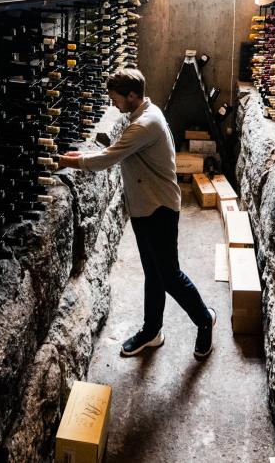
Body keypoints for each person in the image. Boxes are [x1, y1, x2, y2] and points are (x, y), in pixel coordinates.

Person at [59, 67, 216, 359]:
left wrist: (69, 160)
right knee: (153, 274)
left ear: (132, 96)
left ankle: (205, 320)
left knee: (169, 275)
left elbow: (107, 158)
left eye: (116, 98)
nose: (113, 104)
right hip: (146, 208)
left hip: (160, 209)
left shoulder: (144, 124)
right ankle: (152, 330)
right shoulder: (144, 113)